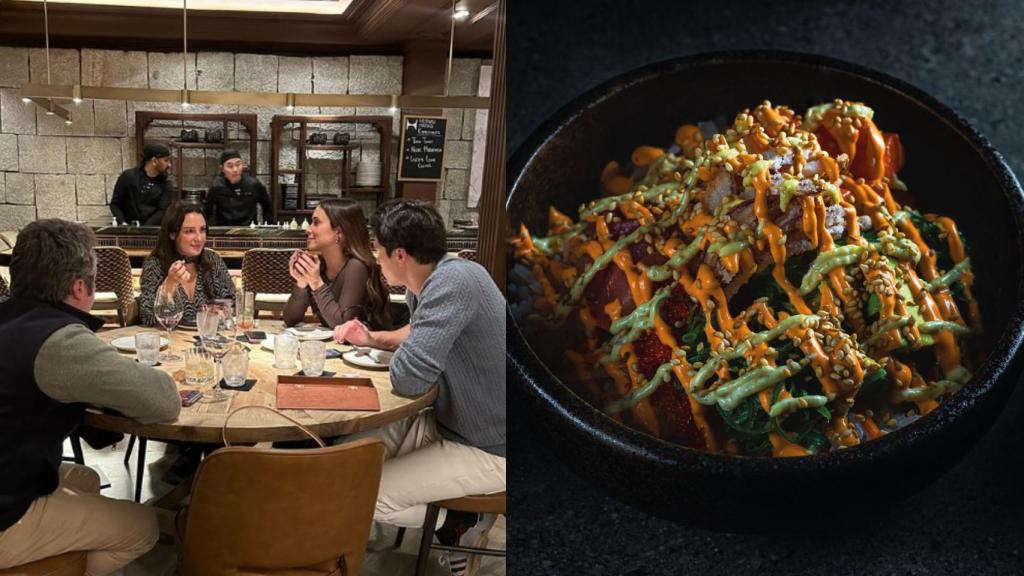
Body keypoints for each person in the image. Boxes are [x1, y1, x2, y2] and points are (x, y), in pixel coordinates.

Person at [333, 200, 505, 576]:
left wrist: (400, 350)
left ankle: (456, 523)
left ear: (400, 254)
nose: (375, 259)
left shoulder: (451, 284)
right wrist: (372, 338)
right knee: (344, 460)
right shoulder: (441, 278)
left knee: (366, 495)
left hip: (492, 446)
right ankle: (328, 540)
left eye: (378, 250)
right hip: (452, 422)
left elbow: (410, 379)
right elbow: (420, 331)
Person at [0, 219, 180, 575]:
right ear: (80, 287)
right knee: (144, 527)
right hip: (6, 514)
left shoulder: (9, 317)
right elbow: (163, 400)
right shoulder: (59, 341)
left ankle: (61, 548)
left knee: (86, 479)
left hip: (11, 471)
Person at [282, 198, 390, 330]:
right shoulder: (320, 265)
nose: (308, 229)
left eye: (316, 222)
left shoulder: (356, 267)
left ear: (338, 232)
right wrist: (302, 282)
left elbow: (343, 324)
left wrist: (316, 283)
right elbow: (290, 320)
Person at [139, 202, 235, 327]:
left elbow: (233, 303)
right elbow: (147, 318)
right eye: (190, 231)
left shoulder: (212, 260)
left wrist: (222, 310)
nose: (199, 238)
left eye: (202, 230)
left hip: (208, 336)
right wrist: (169, 285)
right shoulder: (154, 264)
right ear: (173, 234)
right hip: (170, 337)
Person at [110, 142, 174, 226]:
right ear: (154, 161)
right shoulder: (128, 177)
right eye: (166, 160)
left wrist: (144, 229)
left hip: (152, 230)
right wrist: (123, 222)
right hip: (128, 228)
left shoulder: (165, 184)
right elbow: (115, 204)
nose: (169, 165)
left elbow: (162, 211)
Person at [203, 149, 272, 226]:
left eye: (238, 164)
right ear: (222, 169)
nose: (235, 169)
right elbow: (206, 211)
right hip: (225, 230)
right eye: (230, 166)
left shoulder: (253, 184)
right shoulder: (217, 187)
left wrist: (267, 225)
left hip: (249, 229)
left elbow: (267, 205)